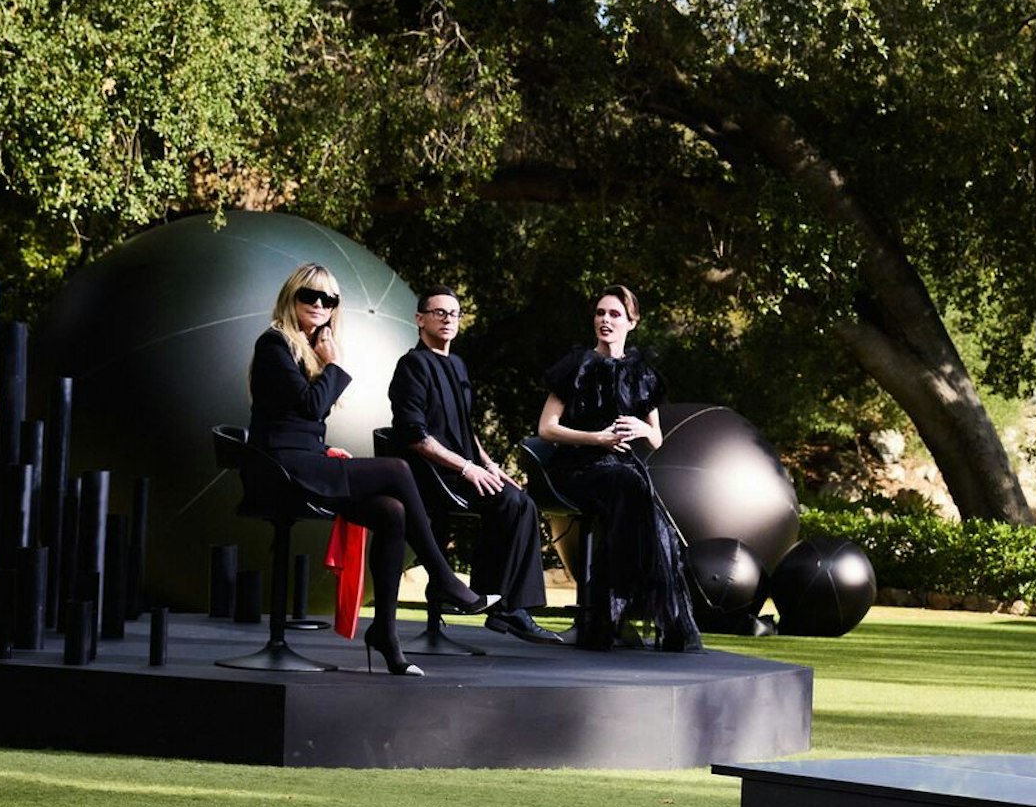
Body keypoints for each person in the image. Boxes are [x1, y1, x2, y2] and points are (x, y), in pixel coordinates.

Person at [246, 263, 498, 676]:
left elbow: (298, 420)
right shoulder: (274, 344)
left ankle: (385, 633)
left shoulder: (306, 349)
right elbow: (309, 407)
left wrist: (325, 448)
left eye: (329, 299)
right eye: (310, 295)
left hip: (306, 461)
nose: (319, 304)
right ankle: (443, 577)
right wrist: (333, 365)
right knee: (396, 469)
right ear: (291, 297)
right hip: (279, 471)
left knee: (390, 511)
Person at [387, 286, 563, 645]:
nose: (447, 319)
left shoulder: (457, 364)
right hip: (431, 472)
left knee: (518, 501)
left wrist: (488, 464)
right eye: (439, 312)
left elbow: (464, 429)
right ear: (420, 319)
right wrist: (467, 468)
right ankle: (506, 608)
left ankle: (500, 603)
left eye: (454, 313)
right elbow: (414, 435)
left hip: (463, 468)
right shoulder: (412, 365)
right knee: (513, 504)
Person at [536, 285, 702, 653]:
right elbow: (546, 428)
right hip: (578, 466)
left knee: (659, 525)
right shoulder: (577, 365)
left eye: (614, 314)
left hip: (621, 472)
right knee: (636, 493)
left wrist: (642, 427)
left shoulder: (641, 374)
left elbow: (656, 439)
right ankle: (610, 613)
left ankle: (610, 613)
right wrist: (597, 439)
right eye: (600, 313)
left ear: (632, 322)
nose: (605, 320)